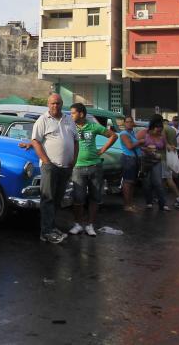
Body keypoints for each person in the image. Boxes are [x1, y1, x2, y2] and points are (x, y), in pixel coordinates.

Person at [26, 93, 79, 244]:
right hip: (50, 167)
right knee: (48, 199)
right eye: (52, 103)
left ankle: (52, 226)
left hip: (66, 167)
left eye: (58, 103)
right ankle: (46, 232)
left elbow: (75, 141)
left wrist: (73, 161)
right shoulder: (43, 120)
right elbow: (35, 141)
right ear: (48, 105)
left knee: (57, 200)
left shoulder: (69, 119)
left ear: (62, 104)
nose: (55, 106)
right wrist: (46, 161)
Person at [67, 104, 116, 237]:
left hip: (95, 166)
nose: (71, 116)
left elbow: (113, 136)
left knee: (95, 197)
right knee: (78, 198)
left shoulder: (94, 126)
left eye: (73, 113)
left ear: (81, 114)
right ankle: (77, 224)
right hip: (77, 167)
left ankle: (90, 225)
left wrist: (102, 150)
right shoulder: (70, 127)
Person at [135, 115, 170, 211]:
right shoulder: (144, 133)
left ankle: (163, 204)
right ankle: (149, 202)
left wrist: (169, 148)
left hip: (156, 161)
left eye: (160, 130)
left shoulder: (161, 136)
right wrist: (146, 149)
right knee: (147, 183)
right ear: (153, 127)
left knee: (158, 182)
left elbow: (164, 146)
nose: (159, 132)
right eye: (157, 130)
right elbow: (135, 144)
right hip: (145, 161)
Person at [162, 119, 179, 209]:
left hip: (164, 156)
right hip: (171, 155)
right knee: (166, 179)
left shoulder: (163, 129)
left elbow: (164, 143)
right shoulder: (172, 130)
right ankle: (162, 199)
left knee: (168, 179)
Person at [117, 116, 141, 212]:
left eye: (131, 122)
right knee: (127, 182)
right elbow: (129, 146)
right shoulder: (123, 133)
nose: (129, 123)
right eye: (127, 122)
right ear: (124, 123)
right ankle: (127, 205)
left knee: (132, 183)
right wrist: (140, 142)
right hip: (128, 159)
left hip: (134, 159)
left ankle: (130, 204)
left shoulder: (132, 133)